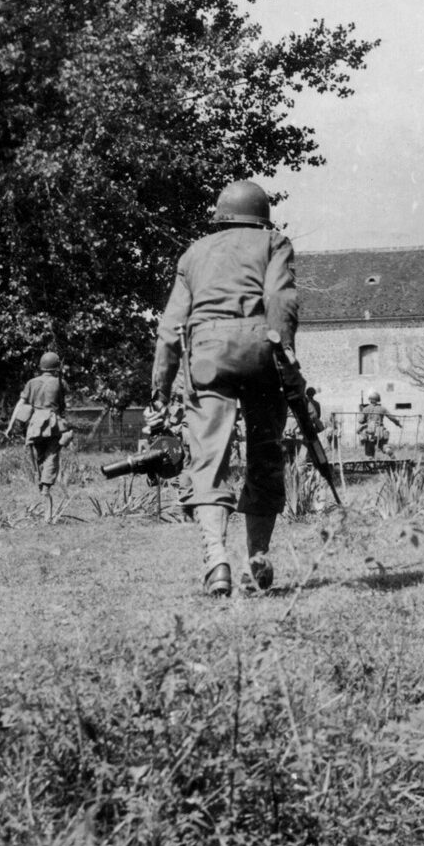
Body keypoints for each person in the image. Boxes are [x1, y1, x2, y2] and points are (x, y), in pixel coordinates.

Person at [150, 179, 298, 598]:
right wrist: (285, 355)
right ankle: (259, 559)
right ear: (261, 215)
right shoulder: (274, 242)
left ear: (221, 217)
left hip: (208, 358)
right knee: (265, 450)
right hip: (261, 355)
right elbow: (279, 300)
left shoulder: (194, 253)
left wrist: (161, 388)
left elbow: (169, 327)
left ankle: (216, 560)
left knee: (208, 457)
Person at [6, 351, 76, 519]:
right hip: (53, 424)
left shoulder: (31, 382)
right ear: (57, 366)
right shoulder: (61, 383)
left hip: (35, 425)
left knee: (39, 457)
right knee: (52, 455)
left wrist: (10, 425)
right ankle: (45, 487)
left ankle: (41, 483)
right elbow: (68, 406)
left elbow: (20, 403)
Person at [357, 391, 400, 457]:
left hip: (370, 431)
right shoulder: (382, 409)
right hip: (380, 431)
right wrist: (398, 424)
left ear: (370, 399)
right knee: (382, 444)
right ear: (378, 400)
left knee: (369, 445)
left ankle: (370, 457)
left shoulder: (366, 409)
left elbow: (360, 421)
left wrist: (361, 411)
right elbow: (391, 417)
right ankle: (387, 450)